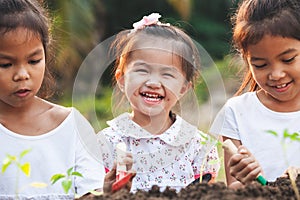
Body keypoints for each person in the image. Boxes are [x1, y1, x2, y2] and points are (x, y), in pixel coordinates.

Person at [98, 13, 220, 193]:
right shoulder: (106, 143)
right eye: (142, 70)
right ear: (121, 80)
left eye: (167, 74)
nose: (153, 83)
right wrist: (108, 192)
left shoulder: (198, 147)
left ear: (184, 88)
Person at [0, 0, 105, 199]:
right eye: (5, 64)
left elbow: (92, 192)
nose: (22, 74)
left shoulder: (72, 126)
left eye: (33, 61)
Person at [209, 0, 300, 189]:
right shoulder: (236, 112)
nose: (276, 74)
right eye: (260, 65)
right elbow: (234, 189)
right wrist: (249, 182)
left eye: (288, 59)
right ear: (246, 59)